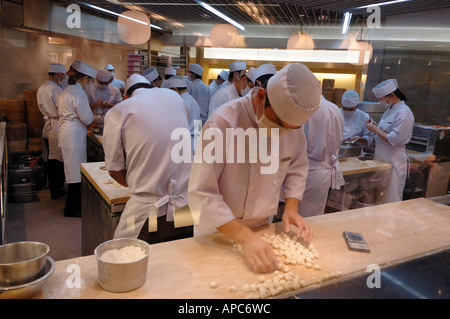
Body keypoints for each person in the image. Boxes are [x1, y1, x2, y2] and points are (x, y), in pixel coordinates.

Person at [188, 63, 322, 273]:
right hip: (219, 230)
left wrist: (291, 207)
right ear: (260, 96)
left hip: (263, 228)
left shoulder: (292, 126)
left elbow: (297, 164)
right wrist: (245, 238)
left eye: (290, 129)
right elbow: (201, 192)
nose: (282, 132)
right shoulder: (223, 122)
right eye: (277, 122)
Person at [103, 74, 193, 244]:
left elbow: (115, 171)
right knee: (181, 257)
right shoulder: (175, 97)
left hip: (149, 211)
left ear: (126, 95)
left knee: (130, 257)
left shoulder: (119, 110)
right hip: (184, 205)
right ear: (151, 85)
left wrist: (142, 182)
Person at [57, 61, 97, 217]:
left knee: (72, 170)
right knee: (75, 172)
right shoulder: (78, 93)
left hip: (68, 132)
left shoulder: (67, 90)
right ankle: (71, 209)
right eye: (90, 81)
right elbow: (87, 118)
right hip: (73, 134)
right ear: (85, 79)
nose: (89, 84)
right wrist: (97, 119)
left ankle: (73, 206)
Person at [297, 96, 345, 217]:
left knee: (304, 217)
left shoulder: (307, 110)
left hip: (310, 170)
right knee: (315, 216)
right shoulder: (334, 108)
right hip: (324, 171)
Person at [368, 79, 414, 203]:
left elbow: (393, 139)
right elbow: (385, 131)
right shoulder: (390, 109)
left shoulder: (404, 112)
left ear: (392, 95)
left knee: (390, 199)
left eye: (381, 99)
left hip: (393, 160)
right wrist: (375, 126)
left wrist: (375, 129)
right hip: (382, 159)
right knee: (378, 198)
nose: (380, 102)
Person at [36, 63, 66, 199]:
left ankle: (54, 188)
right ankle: (57, 190)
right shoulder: (56, 90)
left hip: (47, 129)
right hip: (55, 128)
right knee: (56, 161)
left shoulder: (42, 88)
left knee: (50, 159)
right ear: (58, 74)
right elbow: (62, 110)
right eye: (63, 75)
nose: (63, 78)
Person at [169, 76, 201, 154]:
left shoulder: (180, 102)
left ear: (175, 89)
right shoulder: (193, 100)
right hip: (196, 141)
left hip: (184, 143)